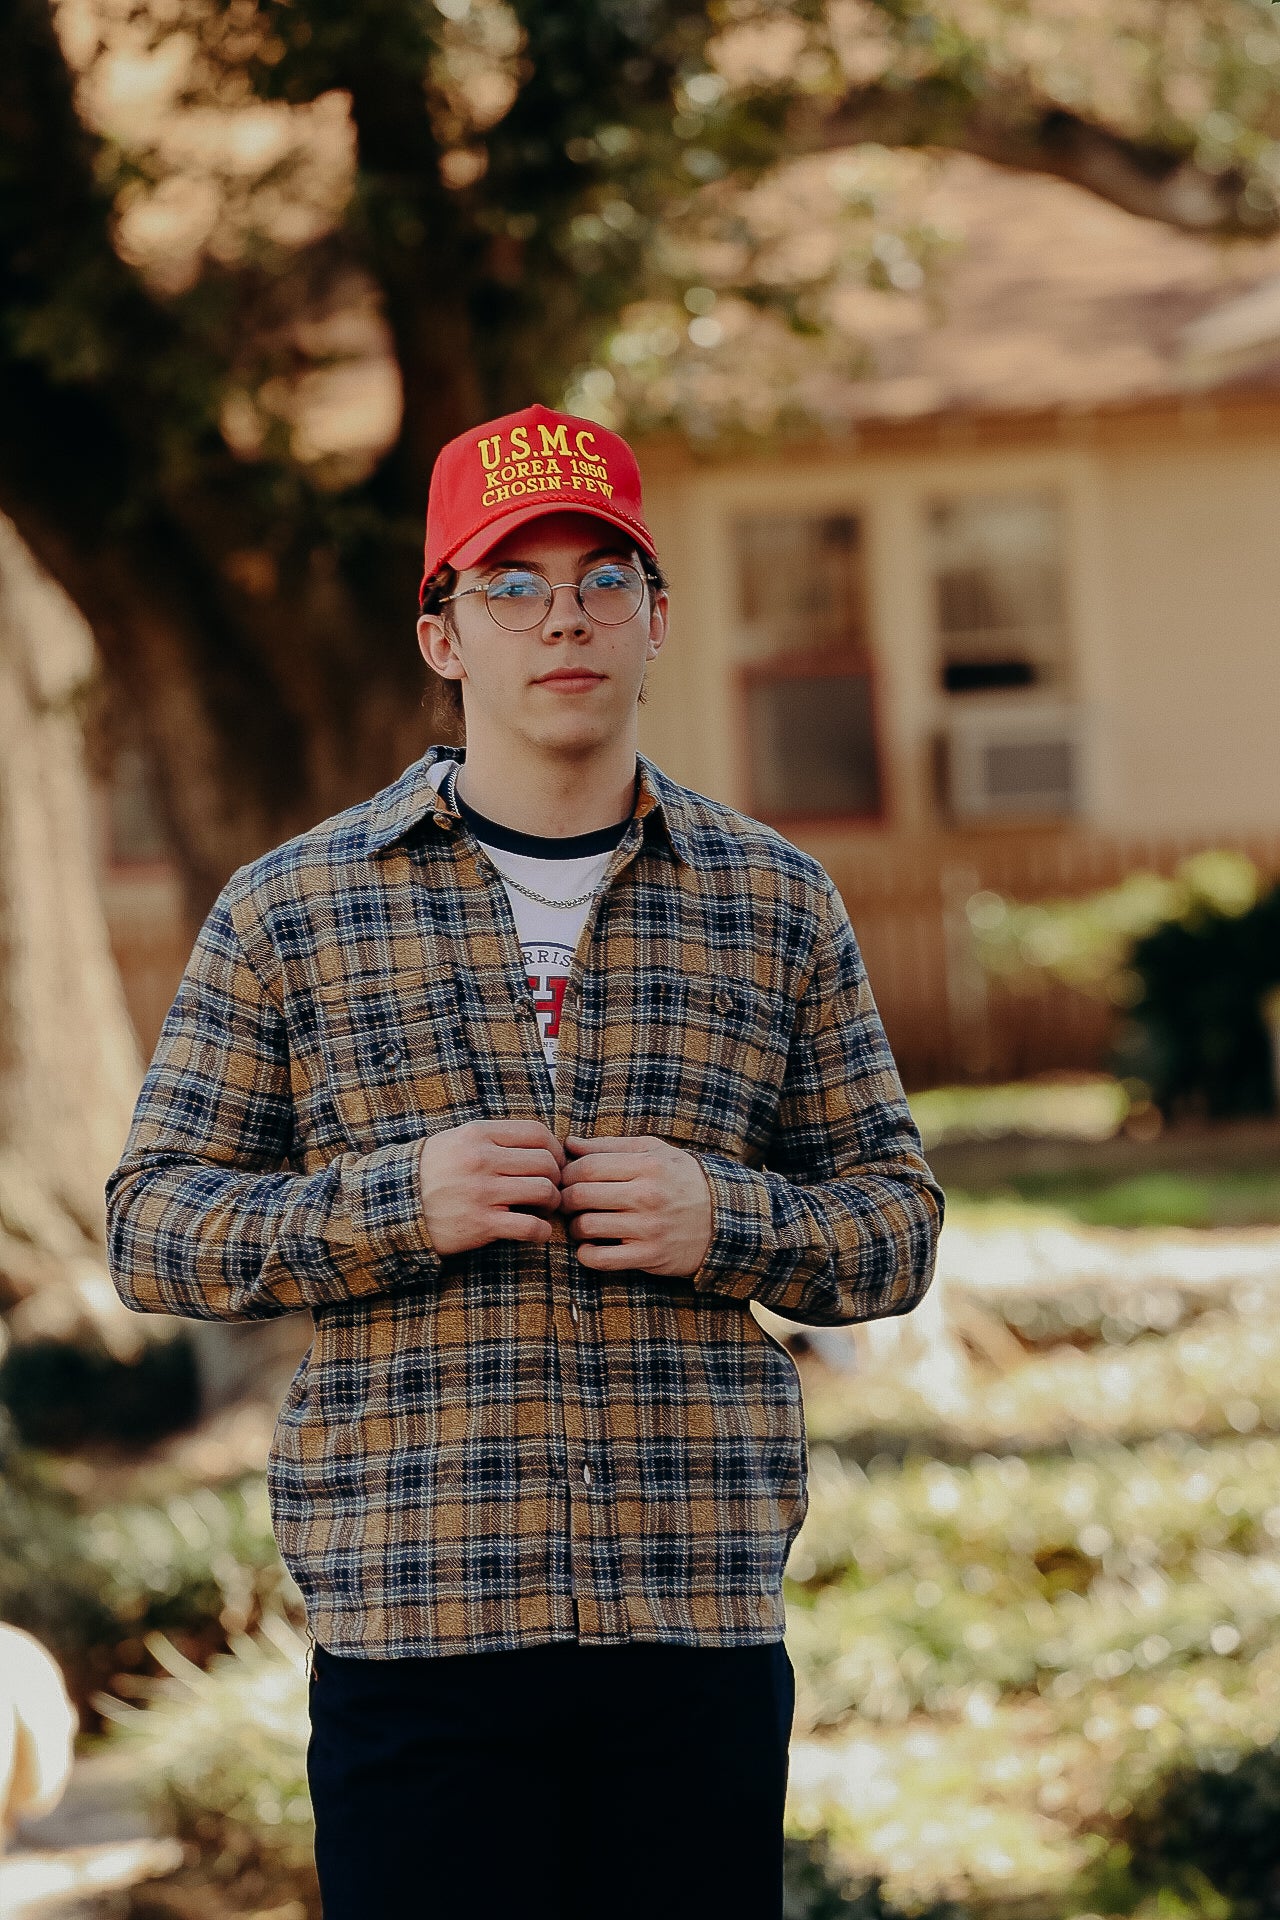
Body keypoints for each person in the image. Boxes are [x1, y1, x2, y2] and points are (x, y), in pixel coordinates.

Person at [106, 403, 944, 1920]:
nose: (564, 616)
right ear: (444, 636)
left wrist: (725, 1216)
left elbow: (896, 1223)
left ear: (655, 621)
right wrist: (394, 1207)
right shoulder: (294, 909)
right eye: (511, 584)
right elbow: (153, 1226)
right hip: (417, 1637)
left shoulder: (775, 901)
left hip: (691, 1629)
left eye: (602, 578)